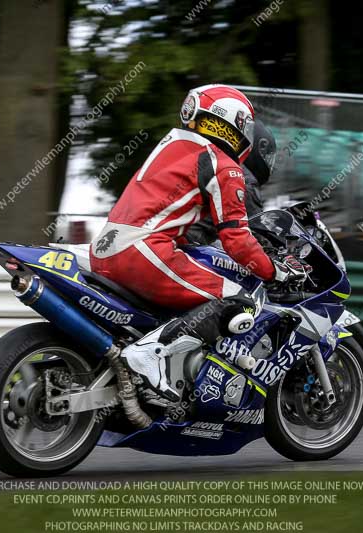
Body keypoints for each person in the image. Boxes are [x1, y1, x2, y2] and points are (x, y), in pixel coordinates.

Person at [90, 84, 305, 401]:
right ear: (234, 123)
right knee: (242, 301)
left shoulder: (171, 144)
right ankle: (150, 354)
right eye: (245, 124)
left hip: (104, 248)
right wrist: (273, 270)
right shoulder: (223, 164)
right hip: (143, 252)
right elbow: (236, 240)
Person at [186, 120, 276, 245]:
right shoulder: (244, 179)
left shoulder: (213, 160)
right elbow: (259, 234)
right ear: (260, 146)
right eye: (268, 156)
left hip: (175, 238)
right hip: (190, 246)